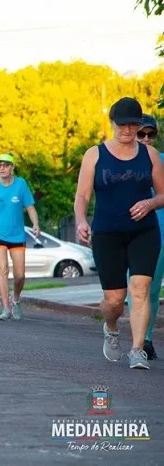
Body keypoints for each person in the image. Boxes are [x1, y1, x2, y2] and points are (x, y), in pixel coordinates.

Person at [75, 98, 164, 370]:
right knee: (114, 300)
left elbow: (163, 194)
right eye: (122, 125)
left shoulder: (149, 155)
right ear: (112, 123)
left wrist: (150, 203)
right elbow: (82, 195)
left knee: (140, 289)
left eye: (133, 125)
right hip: (107, 234)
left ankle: (137, 349)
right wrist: (81, 220)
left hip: (144, 232)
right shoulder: (94, 154)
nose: (127, 131)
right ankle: (111, 327)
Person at [0, 153, 40, 321]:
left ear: (12, 167)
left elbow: (30, 207)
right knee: (2, 269)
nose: (2, 168)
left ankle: (16, 299)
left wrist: (35, 224)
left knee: (20, 275)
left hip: (17, 234)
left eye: (5, 165)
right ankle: (6, 308)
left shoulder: (21, 184)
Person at [128, 114, 163, 360]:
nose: (147, 139)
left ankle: (145, 339)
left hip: (161, 232)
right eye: (141, 134)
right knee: (137, 287)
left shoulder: (162, 160)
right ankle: (139, 341)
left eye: (151, 134)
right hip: (135, 233)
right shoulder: (122, 161)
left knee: (152, 289)